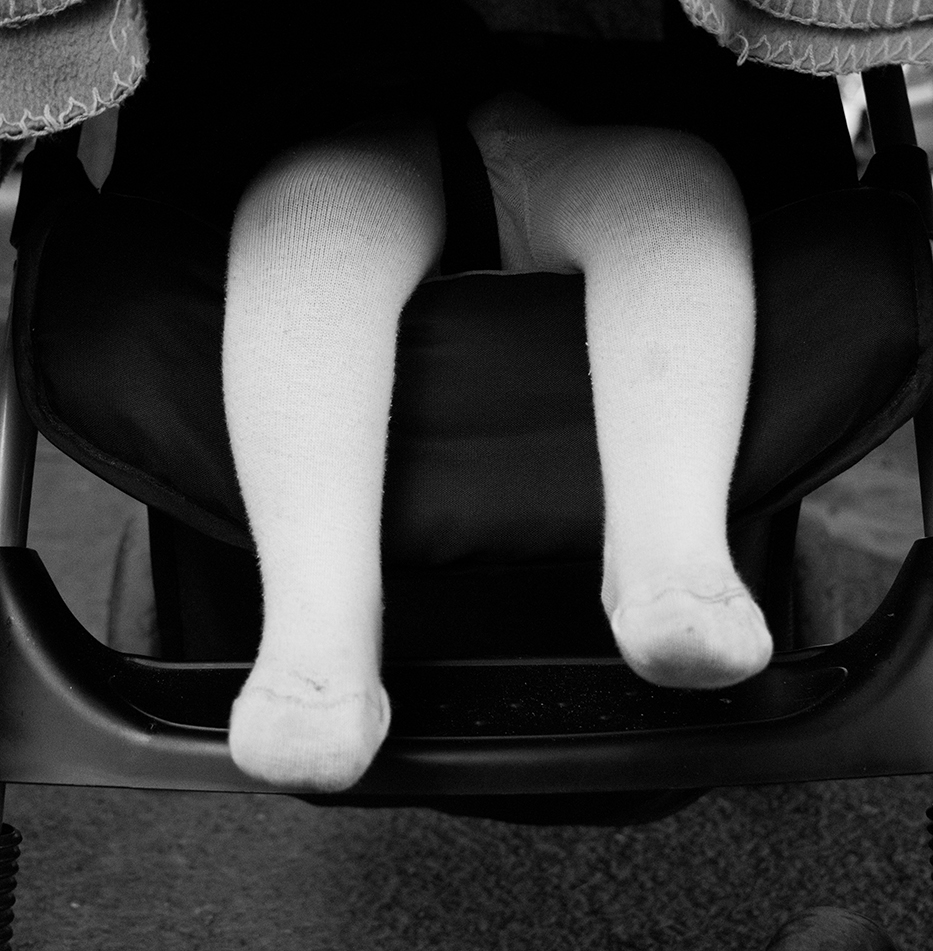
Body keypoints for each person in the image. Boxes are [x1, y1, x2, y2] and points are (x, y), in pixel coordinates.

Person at [221, 88, 770, 792]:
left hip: (577, 111)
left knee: (672, 183)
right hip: (358, 117)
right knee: (307, 212)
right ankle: (316, 644)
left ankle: (676, 570)